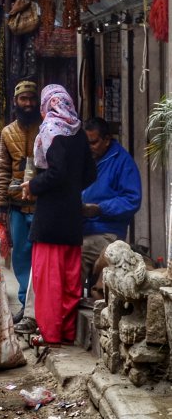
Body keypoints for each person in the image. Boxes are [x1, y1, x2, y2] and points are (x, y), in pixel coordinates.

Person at [21, 85, 96, 347]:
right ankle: (65, 331)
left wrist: (33, 186)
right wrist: (71, 190)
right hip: (72, 215)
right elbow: (89, 174)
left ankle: (50, 335)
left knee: (49, 279)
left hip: (51, 215)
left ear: (46, 105)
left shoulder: (51, 130)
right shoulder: (78, 132)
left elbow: (56, 172)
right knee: (69, 277)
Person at [0, 80, 41, 324]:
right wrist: (1, 204)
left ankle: (39, 308)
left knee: (40, 257)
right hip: (16, 205)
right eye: (24, 99)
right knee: (21, 257)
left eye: (32, 99)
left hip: (42, 203)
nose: (28, 103)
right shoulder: (7, 132)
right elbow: (3, 168)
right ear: (16, 101)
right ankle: (25, 306)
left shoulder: (46, 128)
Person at [81, 117, 142, 290]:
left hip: (108, 233)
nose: (89, 147)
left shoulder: (122, 162)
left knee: (77, 253)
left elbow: (132, 200)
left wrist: (100, 209)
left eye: (93, 142)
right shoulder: (88, 159)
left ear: (107, 140)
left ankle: (68, 307)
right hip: (82, 228)